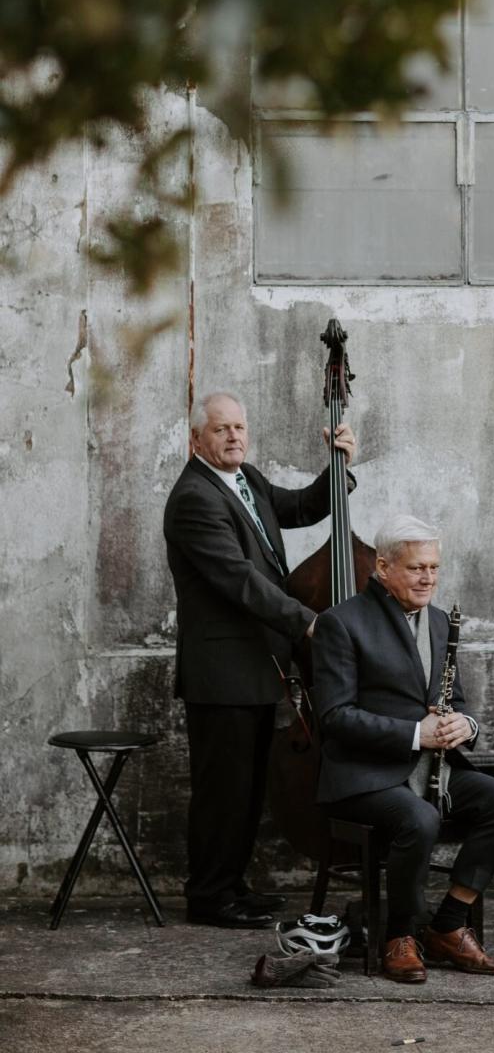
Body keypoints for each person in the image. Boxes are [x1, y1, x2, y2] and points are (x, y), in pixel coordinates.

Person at [164, 390, 356, 929]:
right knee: (223, 792)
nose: (233, 436)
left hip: (254, 669)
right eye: (221, 429)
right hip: (221, 673)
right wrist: (308, 620)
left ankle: (231, 886)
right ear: (196, 439)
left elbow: (301, 507)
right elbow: (241, 581)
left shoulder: (245, 478)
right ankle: (209, 896)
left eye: (239, 427)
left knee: (247, 791)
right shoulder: (195, 499)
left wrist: (338, 466)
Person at [311, 515, 494, 983]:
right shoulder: (340, 623)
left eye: (434, 568)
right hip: (363, 774)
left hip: (434, 769)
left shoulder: (441, 621)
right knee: (419, 817)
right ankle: (398, 935)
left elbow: (459, 703)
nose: (428, 577)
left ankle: (447, 925)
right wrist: (416, 733)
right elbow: (335, 717)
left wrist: (462, 726)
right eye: (416, 568)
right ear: (383, 567)